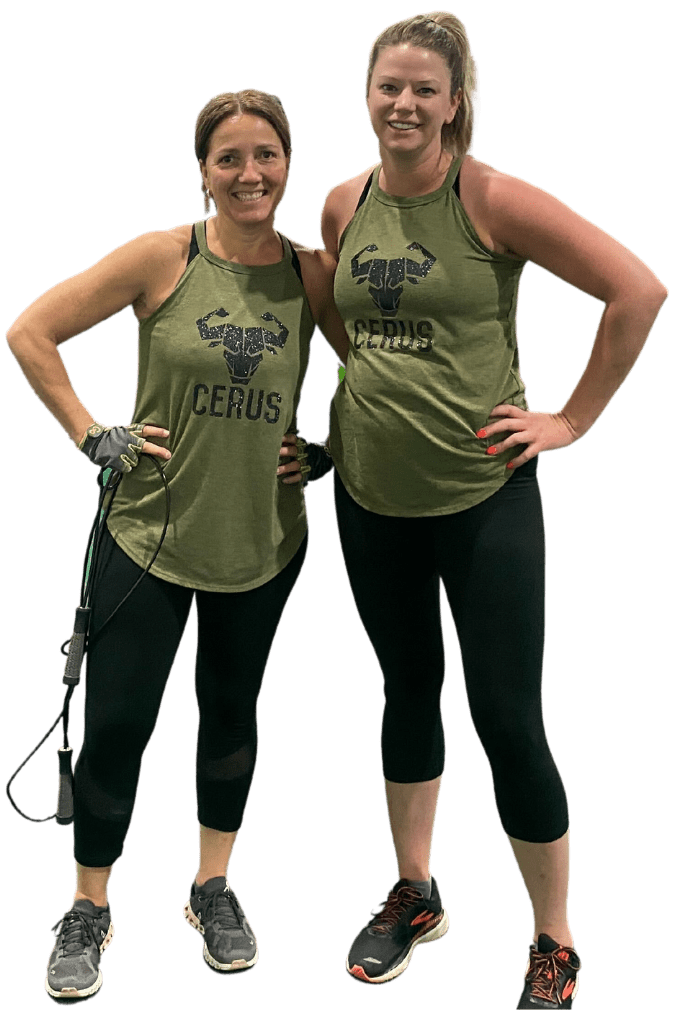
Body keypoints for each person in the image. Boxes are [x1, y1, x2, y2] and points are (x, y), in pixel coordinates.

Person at [320, 11, 667, 1005]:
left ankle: (554, 939)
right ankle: (416, 891)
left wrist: (570, 419)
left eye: (425, 88)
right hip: (368, 495)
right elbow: (343, 314)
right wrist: (369, 405)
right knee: (404, 690)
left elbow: (635, 290)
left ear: (457, 101)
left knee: (507, 717)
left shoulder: (493, 197)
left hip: (483, 497)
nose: (404, 102)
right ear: (368, 92)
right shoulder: (344, 203)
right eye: (389, 84)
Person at [6, 88, 348, 1002]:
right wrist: (90, 432)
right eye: (229, 157)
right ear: (203, 170)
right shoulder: (163, 256)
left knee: (231, 725)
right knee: (119, 727)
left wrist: (328, 450)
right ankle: (88, 908)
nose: (250, 173)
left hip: (263, 545)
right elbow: (30, 332)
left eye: (266, 155)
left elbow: (383, 370)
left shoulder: (311, 274)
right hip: (147, 540)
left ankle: (213, 888)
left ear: (288, 164)